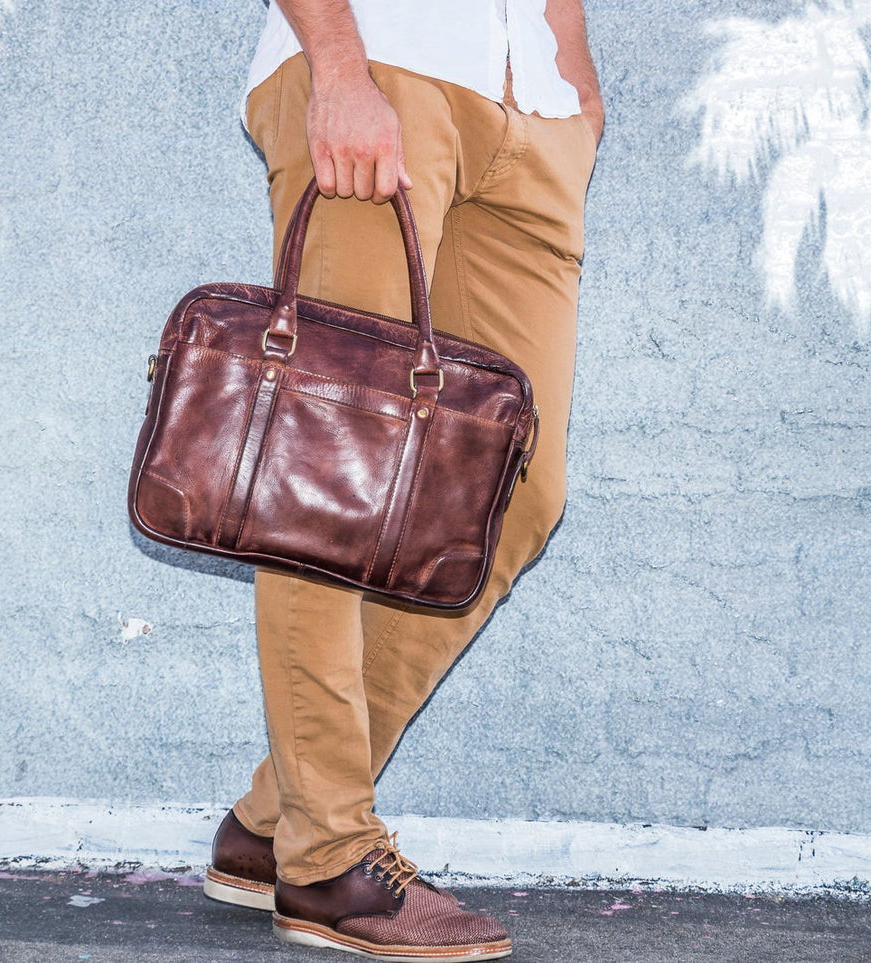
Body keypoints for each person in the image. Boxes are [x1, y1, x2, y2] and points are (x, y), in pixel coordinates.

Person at [199, 1, 601, 959]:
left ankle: (272, 824)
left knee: (515, 487)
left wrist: (574, 72)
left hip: (532, 106)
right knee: (328, 483)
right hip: (387, 64)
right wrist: (337, 68)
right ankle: (327, 854)